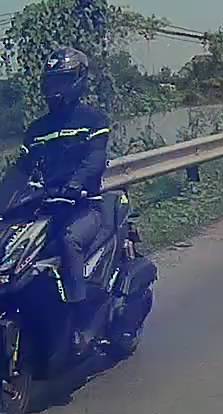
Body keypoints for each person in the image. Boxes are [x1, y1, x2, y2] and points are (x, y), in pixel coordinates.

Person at [17, 47, 110, 350]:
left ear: (78, 81)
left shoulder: (92, 120)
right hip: (46, 210)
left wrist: (74, 185)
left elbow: (94, 160)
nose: (55, 89)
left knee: (69, 242)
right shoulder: (36, 130)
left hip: (85, 207)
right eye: (51, 82)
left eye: (62, 81)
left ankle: (81, 320)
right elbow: (19, 171)